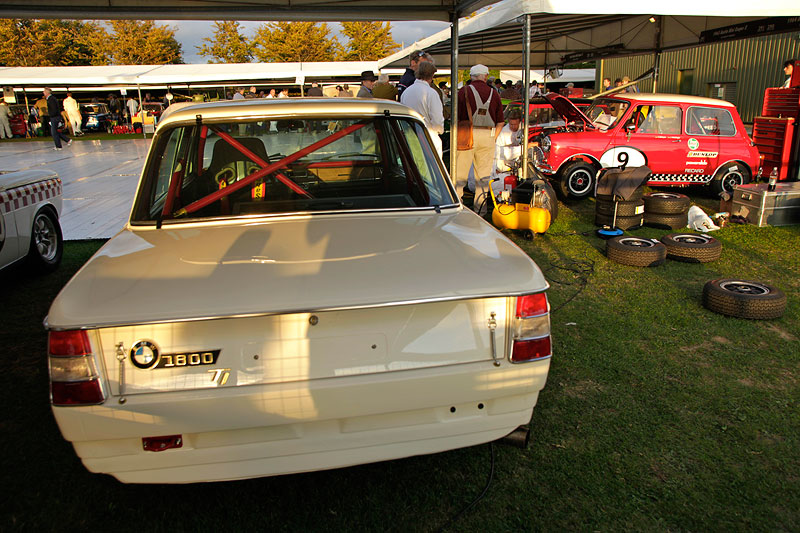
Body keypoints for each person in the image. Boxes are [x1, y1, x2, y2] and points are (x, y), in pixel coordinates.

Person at [455, 64, 504, 205]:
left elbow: (455, 117)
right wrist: (492, 138)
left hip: (466, 136)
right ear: (485, 76)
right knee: (482, 177)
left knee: (460, 175)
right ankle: (480, 208)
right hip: (488, 135)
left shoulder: (463, 91)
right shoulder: (494, 93)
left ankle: (457, 205)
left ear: (471, 76)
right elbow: (500, 122)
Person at [400, 61, 444, 156]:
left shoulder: (406, 92)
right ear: (431, 76)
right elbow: (437, 119)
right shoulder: (431, 93)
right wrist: (439, 130)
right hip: (428, 136)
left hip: (410, 136)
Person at [491, 107, 523, 196]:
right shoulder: (503, 133)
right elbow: (500, 153)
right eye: (511, 124)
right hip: (504, 166)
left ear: (519, 122)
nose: (513, 127)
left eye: (515, 124)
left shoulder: (524, 129)